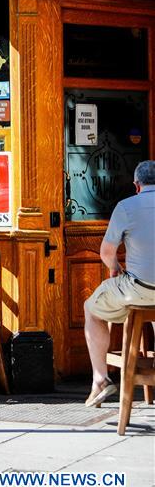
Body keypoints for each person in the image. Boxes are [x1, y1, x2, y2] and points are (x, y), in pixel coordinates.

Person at [83, 159, 155, 407]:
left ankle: (100, 380)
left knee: (91, 309)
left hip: (139, 289)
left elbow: (106, 252)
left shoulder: (126, 206)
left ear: (137, 185)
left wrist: (116, 269)